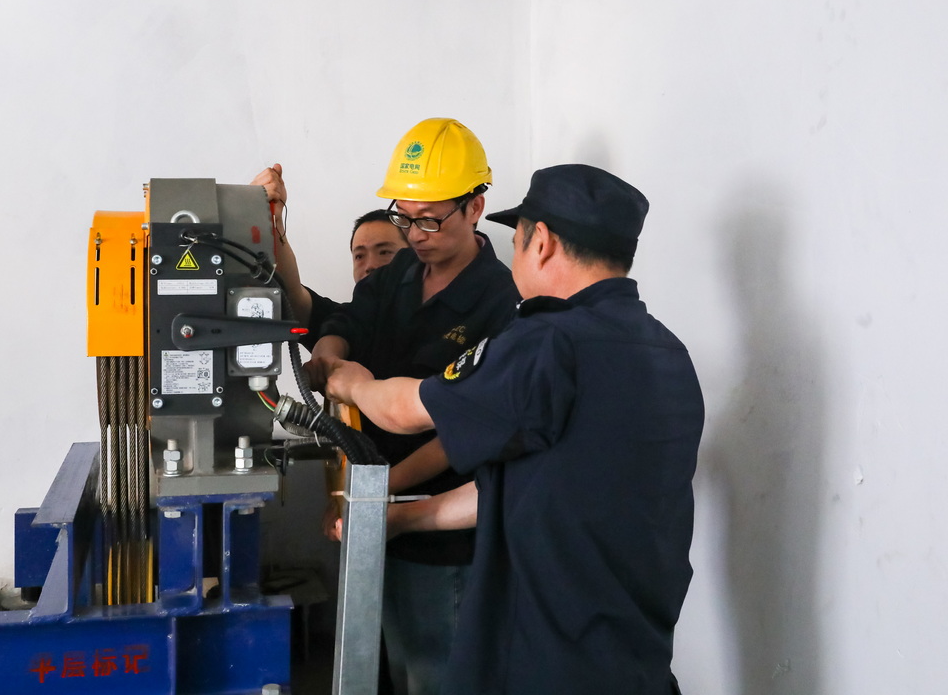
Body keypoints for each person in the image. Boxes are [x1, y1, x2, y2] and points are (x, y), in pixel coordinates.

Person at [325, 164, 706, 694]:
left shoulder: (546, 341)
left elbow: (407, 410)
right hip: (634, 650)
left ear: (541, 242)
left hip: (546, 652)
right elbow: (529, 484)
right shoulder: (666, 351)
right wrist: (406, 519)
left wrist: (351, 382)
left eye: (518, 239)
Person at [306, 118, 520, 695]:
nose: (415, 234)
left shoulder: (501, 302)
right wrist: (330, 351)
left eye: (430, 219)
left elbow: (465, 429)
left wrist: (377, 495)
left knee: (436, 671)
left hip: (442, 534)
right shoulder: (401, 272)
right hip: (377, 513)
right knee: (396, 667)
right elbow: (349, 318)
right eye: (404, 218)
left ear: (475, 208)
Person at [249, 166, 409, 348]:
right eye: (359, 256)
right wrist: (270, 220)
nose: (369, 266)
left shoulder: (434, 322)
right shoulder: (344, 325)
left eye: (384, 252)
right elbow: (291, 298)